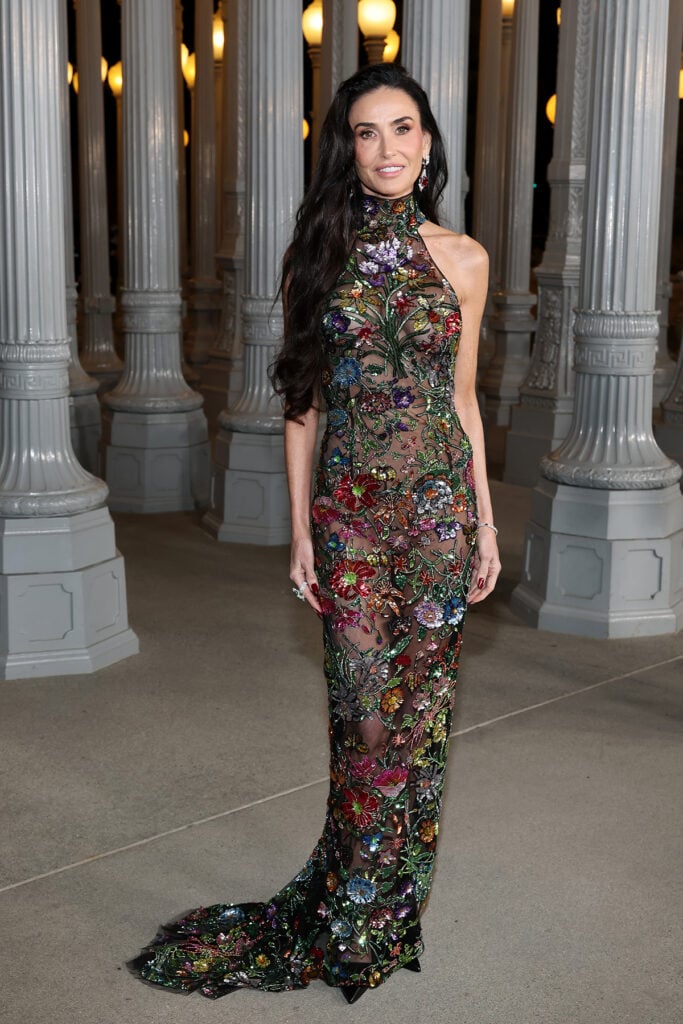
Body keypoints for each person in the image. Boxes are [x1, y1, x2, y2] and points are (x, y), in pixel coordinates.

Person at [128, 62, 500, 1005]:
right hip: (351, 520)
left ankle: (383, 918)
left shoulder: (464, 259)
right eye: (367, 132)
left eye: (402, 128)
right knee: (364, 717)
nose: (387, 148)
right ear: (347, 149)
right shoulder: (316, 257)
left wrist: (486, 523)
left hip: (439, 516)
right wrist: (300, 531)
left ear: (426, 143)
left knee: (421, 724)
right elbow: (301, 406)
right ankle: (346, 906)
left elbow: (460, 401)